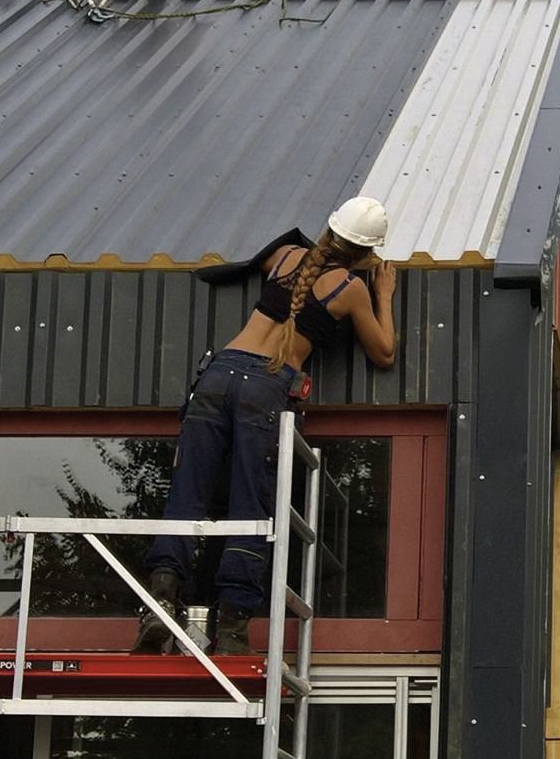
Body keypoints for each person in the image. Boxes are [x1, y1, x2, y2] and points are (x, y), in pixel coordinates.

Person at [134, 196, 397, 655]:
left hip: (217, 374)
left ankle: (159, 603)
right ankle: (233, 627)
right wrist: (384, 295)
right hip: (266, 385)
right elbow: (384, 353)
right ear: (365, 253)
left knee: (187, 493)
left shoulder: (285, 257)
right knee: (250, 505)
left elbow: (268, 255)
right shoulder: (350, 288)